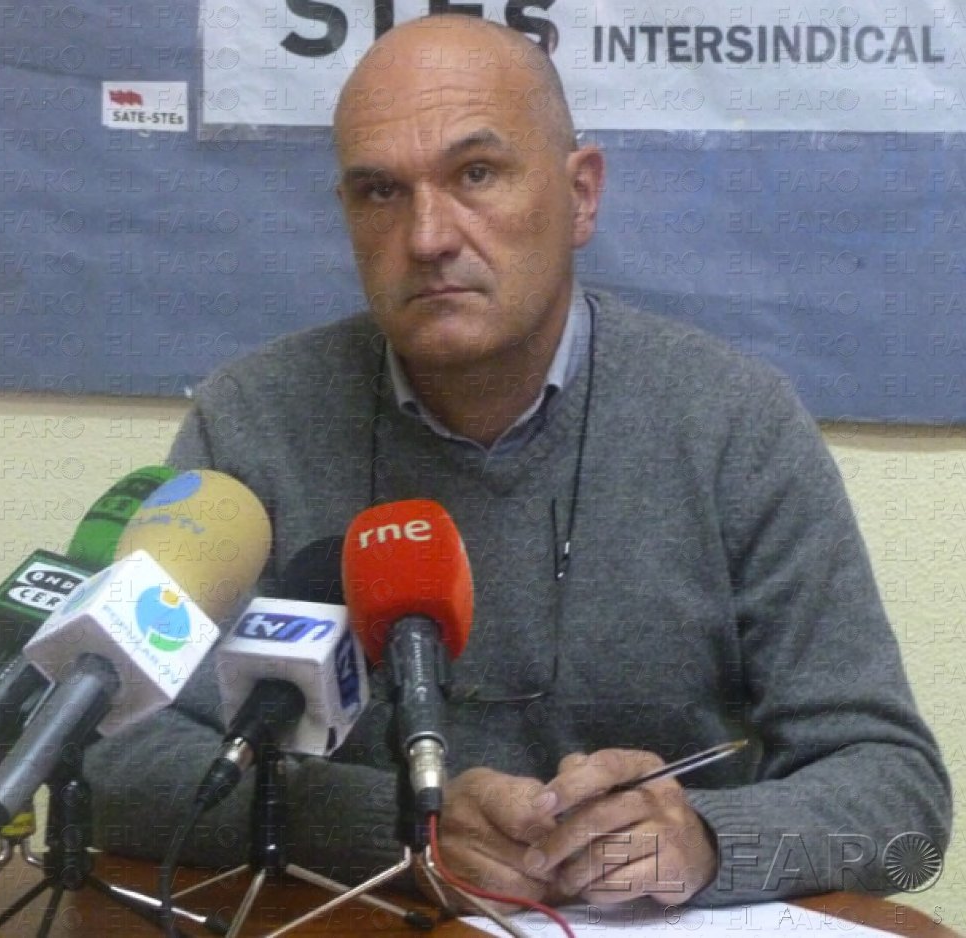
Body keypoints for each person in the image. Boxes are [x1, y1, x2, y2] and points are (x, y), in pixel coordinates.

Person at [84, 14, 951, 909]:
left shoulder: (733, 425)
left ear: (581, 195)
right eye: (381, 191)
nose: (428, 236)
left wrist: (707, 842)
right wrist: (400, 828)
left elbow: (900, 803)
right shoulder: (256, 422)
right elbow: (113, 761)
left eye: (476, 174)